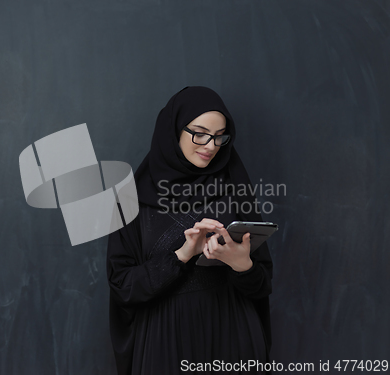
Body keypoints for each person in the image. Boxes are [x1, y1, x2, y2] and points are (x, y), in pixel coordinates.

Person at [107, 86, 273, 375]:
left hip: (233, 336)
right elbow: (123, 286)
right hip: (165, 340)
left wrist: (241, 264)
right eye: (199, 133)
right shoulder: (131, 198)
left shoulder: (234, 184)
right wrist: (182, 255)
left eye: (220, 136)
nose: (211, 145)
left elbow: (263, 283)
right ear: (173, 130)